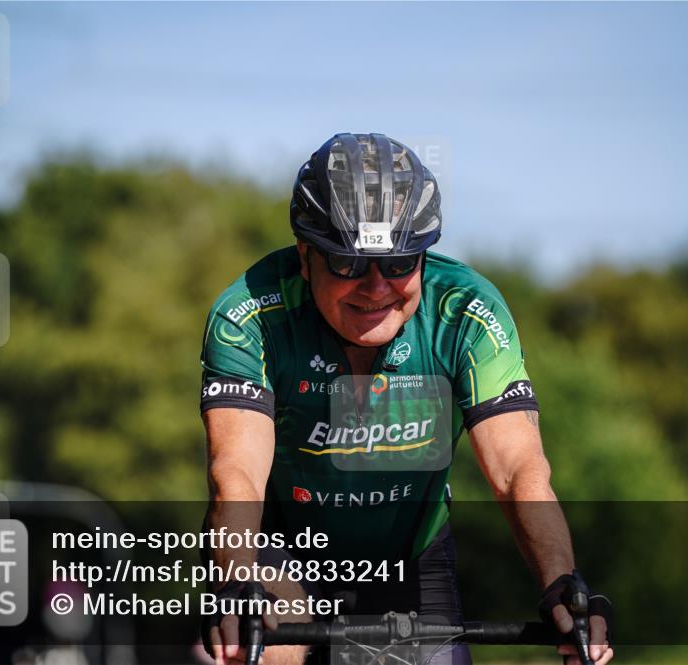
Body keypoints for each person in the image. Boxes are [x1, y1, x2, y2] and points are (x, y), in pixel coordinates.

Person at [199, 133, 613, 665]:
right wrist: (236, 579)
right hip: (282, 552)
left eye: (399, 264)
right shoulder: (251, 313)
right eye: (348, 264)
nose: (376, 288)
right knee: (265, 651)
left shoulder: (465, 312)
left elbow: (518, 468)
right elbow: (236, 471)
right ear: (306, 257)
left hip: (411, 559)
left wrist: (562, 583)